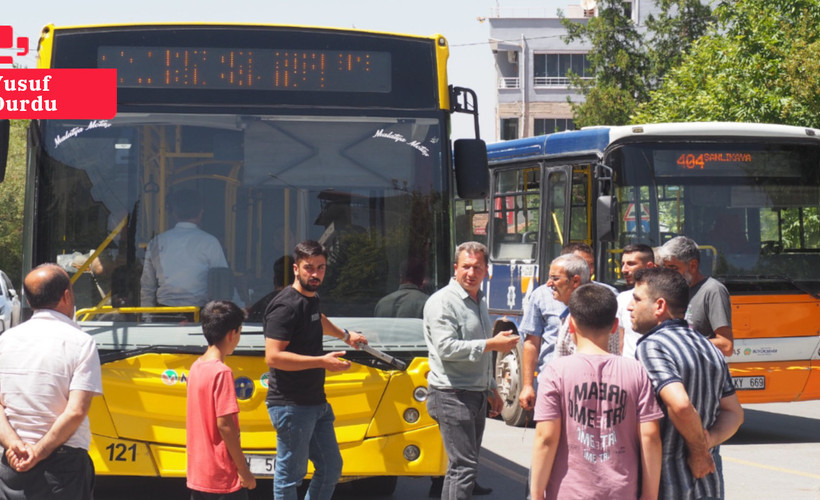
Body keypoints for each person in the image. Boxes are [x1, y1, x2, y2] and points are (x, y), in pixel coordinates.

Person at [531, 284, 663, 500]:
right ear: (614, 326)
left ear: (571, 325)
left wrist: (536, 494)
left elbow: (546, 438)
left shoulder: (556, 372)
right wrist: (650, 495)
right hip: (621, 491)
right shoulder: (635, 370)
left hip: (568, 493)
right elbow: (650, 437)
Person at [264, 240, 367, 500]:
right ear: (296, 269)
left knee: (331, 468)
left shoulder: (310, 298)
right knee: (290, 477)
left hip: (315, 402)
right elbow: (273, 357)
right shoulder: (285, 306)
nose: (316, 274)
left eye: (321, 268)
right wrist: (322, 361)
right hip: (291, 404)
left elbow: (317, 318)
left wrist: (346, 335)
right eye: (309, 268)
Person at [629, 267, 744, 499]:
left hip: (667, 484)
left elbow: (680, 405)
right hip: (707, 484)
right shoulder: (708, 346)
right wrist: (709, 440)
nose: (630, 307)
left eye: (637, 299)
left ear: (659, 306)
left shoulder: (652, 346)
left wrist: (699, 452)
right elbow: (734, 413)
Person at [423, 241, 520, 500]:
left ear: (486, 270)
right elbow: (446, 348)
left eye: (477, 267)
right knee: (462, 469)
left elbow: (478, 356)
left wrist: (492, 388)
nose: (471, 272)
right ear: (455, 268)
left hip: (475, 394)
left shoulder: (478, 299)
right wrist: (492, 344)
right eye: (466, 266)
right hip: (451, 395)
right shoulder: (443, 302)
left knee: (466, 467)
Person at [0, 264, 103, 499]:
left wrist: (14, 443)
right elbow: (76, 411)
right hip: (62, 469)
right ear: (67, 296)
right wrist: (38, 452)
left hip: (11, 463)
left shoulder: (6, 340)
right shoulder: (81, 343)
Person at [187, 300, 257, 499]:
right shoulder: (222, 372)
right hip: (223, 477)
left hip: (199, 474)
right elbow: (225, 425)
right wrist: (244, 470)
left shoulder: (196, 367)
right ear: (231, 334)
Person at [141, 189, 233, 308]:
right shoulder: (210, 242)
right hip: (199, 314)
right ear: (201, 213)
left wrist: (147, 317)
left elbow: (147, 285)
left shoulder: (156, 242)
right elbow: (221, 286)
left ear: (174, 213)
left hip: (163, 313)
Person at [657, 236, 733, 356]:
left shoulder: (712, 290)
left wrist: (684, 345)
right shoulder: (672, 291)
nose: (669, 274)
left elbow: (726, 345)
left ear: (693, 265)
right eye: (666, 268)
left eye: (673, 268)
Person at [617, 244, 656, 358]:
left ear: (649, 266)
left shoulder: (666, 297)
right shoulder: (622, 299)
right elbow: (620, 341)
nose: (624, 270)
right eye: (623, 264)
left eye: (631, 264)